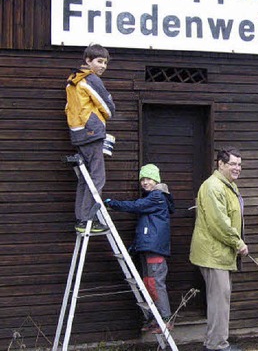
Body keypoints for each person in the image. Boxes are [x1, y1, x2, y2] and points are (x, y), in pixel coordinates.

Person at [104, 164, 175, 333]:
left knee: (156, 283)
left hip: (155, 249)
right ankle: (154, 318)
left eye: (148, 179)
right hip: (147, 248)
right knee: (148, 283)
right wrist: (134, 246)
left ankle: (166, 320)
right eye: (142, 179)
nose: (144, 182)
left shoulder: (157, 196)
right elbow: (145, 227)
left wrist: (111, 204)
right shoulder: (150, 198)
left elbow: (134, 206)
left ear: (156, 180)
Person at [190, 147, 248, 351]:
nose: (237, 168)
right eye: (233, 164)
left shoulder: (228, 186)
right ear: (220, 164)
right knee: (219, 303)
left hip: (220, 255)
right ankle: (218, 346)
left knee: (219, 302)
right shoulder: (214, 187)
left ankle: (213, 342)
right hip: (213, 255)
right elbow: (219, 223)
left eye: (239, 164)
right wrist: (238, 243)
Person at [65, 44, 115, 234]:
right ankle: (88, 220)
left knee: (85, 180)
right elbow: (107, 106)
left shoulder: (72, 80)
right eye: (99, 61)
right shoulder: (90, 79)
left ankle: (81, 218)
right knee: (97, 178)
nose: (103, 66)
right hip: (91, 132)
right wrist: (107, 114)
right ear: (88, 61)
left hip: (77, 132)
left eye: (105, 63)